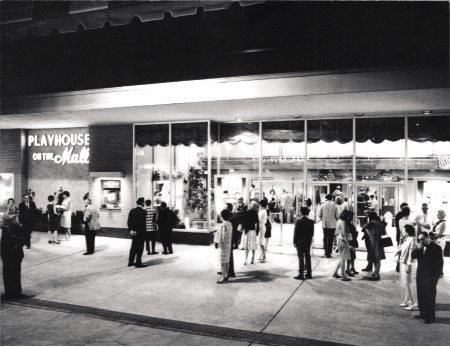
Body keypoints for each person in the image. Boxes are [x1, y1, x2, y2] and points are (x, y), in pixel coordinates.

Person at [412, 231, 444, 324]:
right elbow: (413, 256)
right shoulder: (420, 247)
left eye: (422, 239)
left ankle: (430, 317)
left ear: (427, 237)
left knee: (429, 297)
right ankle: (423, 313)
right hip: (420, 275)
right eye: (419, 239)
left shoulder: (436, 247)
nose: (421, 241)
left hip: (430, 277)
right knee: (421, 295)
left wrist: (435, 279)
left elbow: (439, 264)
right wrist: (417, 249)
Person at [1, 214, 25, 300]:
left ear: (10, 221)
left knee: (15, 273)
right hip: (6, 255)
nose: (3, 222)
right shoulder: (5, 228)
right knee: (7, 274)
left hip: (15, 255)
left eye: (5, 221)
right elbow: (2, 242)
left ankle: (16, 291)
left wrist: (17, 246)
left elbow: (22, 240)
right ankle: (8, 292)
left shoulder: (17, 228)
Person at [396, 224, 418, 310]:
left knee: (408, 283)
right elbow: (400, 248)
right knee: (405, 283)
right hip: (403, 262)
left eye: (403, 230)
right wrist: (401, 240)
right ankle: (406, 300)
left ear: (408, 232)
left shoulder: (412, 240)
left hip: (408, 264)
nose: (402, 232)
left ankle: (412, 302)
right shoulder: (407, 239)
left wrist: (409, 265)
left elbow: (411, 255)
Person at [362, 212, 386, 281]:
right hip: (379, 241)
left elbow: (371, 235)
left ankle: (376, 274)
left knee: (375, 258)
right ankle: (376, 272)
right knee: (377, 258)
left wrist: (366, 229)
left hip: (373, 243)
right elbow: (383, 233)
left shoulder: (371, 224)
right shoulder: (381, 223)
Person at [293, 207, 314, 280]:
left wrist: (294, 241)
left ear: (301, 212)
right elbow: (312, 233)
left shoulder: (298, 221)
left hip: (300, 241)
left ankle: (301, 273)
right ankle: (309, 273)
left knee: (300, 257)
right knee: (308, 256)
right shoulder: (311, 221)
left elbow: (295, 233)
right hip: (308, 241)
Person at [332, 210, 353, 281]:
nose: (350, 218)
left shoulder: (338, 221)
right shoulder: (343, 222)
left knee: (341, 258)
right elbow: (344, 234)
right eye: (349, 216)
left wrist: (335, 243)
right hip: (343, 241)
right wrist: (349, 244)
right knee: (343, 259)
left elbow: (336, 233)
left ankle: (335, 272)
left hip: (339, 240)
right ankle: (343, 275)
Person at [127, 197, 147, 268]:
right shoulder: (144, 212)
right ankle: (138, 262)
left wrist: (131, 230)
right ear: (142, 203)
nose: (144, 203)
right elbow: (142, 224)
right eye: (143, 202)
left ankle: (130, 262)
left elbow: (129, 222)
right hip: (140, 233)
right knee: (140, 248)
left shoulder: (132, 211)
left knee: (133, 247)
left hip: (133, 232)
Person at [214, 209, 233, 283]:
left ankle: (223, 276)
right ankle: (226, 275)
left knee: (222, 261)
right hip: (228, 244)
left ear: (222, 216)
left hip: (223, 245)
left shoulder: (223, 225)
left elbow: (222, 236)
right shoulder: (229, 223)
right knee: (227, 260)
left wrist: (218, 243)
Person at [318, 194, 339, 258]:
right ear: (332, 198)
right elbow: (337, 216)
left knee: (325, 238)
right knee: (331, 238)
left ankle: (325, 251)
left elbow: (319, 215)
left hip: (325, 224)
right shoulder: (335, 206)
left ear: (326, 198)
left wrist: (324, 217)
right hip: (332, 224)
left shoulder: (322, 205)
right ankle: (329, 252)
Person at [431, 210, 447, 275]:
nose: (437, 215)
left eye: (438, 214)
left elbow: (440, 233)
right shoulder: (438, 222)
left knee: (440, 256)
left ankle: (440, 271)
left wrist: (433, 237)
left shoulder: (443, 223)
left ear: (442, 215)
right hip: (436, 240)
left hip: (440, 240)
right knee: (436, 256)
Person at [345, 210, 359, 276]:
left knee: (353, 256)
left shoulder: (349, 224)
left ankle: (352, 268)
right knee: (350, 256)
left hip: (352, 241)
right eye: (351, 216)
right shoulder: (346, 224)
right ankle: (348, 269)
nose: (352, 218)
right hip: (350, 241)